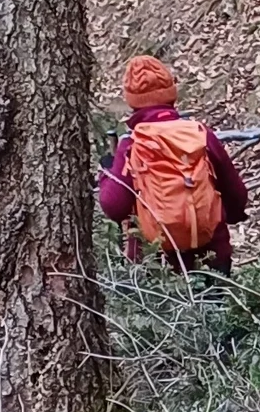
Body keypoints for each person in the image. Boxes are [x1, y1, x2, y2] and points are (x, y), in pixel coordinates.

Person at [97, 56, 249, 272]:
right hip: (211, 255)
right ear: (172, 94)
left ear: (132, 102)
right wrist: (229, 217)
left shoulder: (131, 145)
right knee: (216, 303)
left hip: (157, 268)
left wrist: (106, 172)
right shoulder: (200, 134)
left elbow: (113, 205)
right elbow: (236, 193)